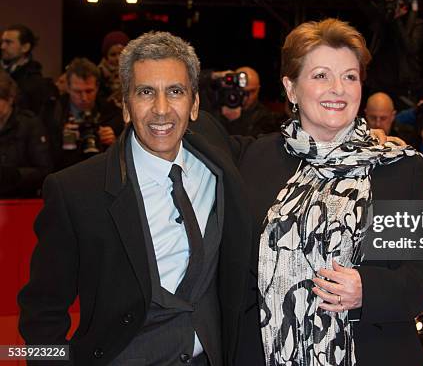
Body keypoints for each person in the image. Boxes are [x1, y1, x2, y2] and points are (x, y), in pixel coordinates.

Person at [18, 31, 252, 365]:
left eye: (175, 91)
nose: (161, 110)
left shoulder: (218, 161)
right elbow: (41, 314)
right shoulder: (76, 191)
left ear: (195, 104)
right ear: (126, 106)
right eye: (146, 93)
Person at [235, 18, 423, 366]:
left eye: (350, 76)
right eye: (321, 75)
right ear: (291, 88)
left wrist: (368, 289)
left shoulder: (393, 169)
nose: (338, 88)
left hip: (372, 351)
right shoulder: (254, 159)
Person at [41, 57, 124, 170]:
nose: (84, 98)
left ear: (97, 87)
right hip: (64, 174)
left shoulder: (113, 114)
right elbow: (43, 161)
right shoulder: (51, 113)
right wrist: (60, 139)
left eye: (89, 91)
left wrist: (115, 142)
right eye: (77, 92)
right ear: (68, 88)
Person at [357, 0, 423, 108]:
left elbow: (410, 48)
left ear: (406, 5)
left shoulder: (417, 24)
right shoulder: (381, 19)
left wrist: (397, 20)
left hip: (403, 87)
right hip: (378, 84)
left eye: (398, 4)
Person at [0, 69, 52, 197]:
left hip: (20, 199)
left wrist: (12, 175)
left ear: (10, 99)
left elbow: (45, 170)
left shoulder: (30, 124)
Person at [1, 24, 57, 114]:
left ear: (25, 47)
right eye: (2, 42)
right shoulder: (3, 74)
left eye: (8, 42)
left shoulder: (36, 83)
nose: (2, 47)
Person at [217, 66, 282, 136]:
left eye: (252, 91)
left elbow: (251, 145)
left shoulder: (266, 118)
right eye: (241, 91)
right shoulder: (216, 106)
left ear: (258, 89)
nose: (246, 97)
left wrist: (234, 121)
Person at [98, 30, 130, 107]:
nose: (117, 58)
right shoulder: (99, 74)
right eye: (113, 55)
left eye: (121, 53)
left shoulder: (136, 72)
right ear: (106, 56)